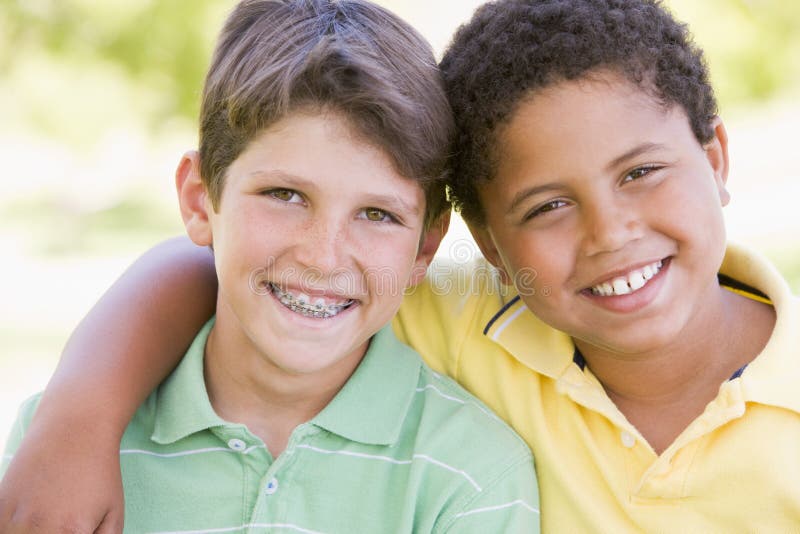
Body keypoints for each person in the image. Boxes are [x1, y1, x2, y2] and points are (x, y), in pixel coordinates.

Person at [4, 0, 799, 531]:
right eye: (546, 206)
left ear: (716, 156)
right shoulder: (465, 316)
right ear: (486, 245)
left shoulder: (465, 450)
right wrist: (79, 420)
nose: (610, 234)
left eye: (640, 172)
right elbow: (205, 271)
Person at [0, 1, 542, 533]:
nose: (323, 256)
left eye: (377, 214)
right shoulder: (59, 449)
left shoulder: (470, 475)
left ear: (425, 246)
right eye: (284, 195)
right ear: (198, 199)